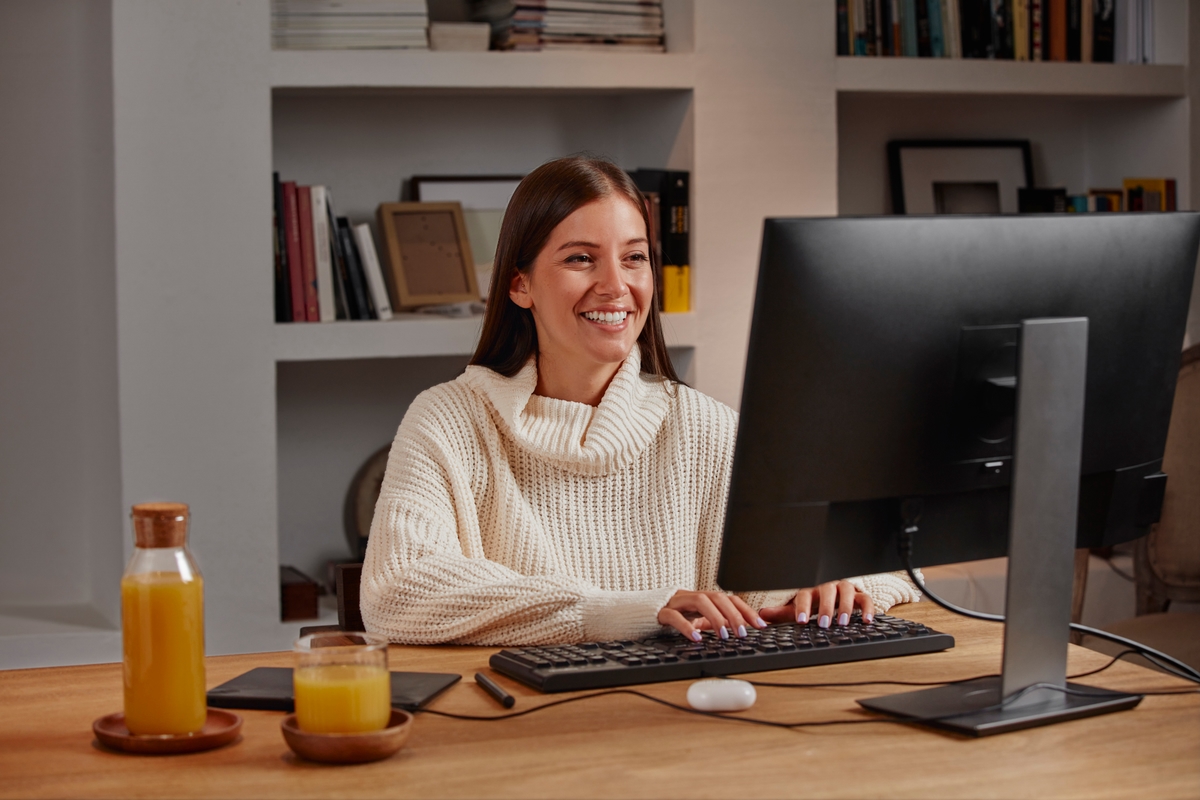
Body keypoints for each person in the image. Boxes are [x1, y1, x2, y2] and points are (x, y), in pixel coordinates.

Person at [360, 156, 920, 645]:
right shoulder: (448, 421)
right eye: (581, 258)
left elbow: (888, 568)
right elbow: (398, 592)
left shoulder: (704, 428)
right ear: (519, 285)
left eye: (634, 258)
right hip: (521, 734)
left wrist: (833, 586)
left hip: (679, 732)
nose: (616, 285)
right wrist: (620, 612)